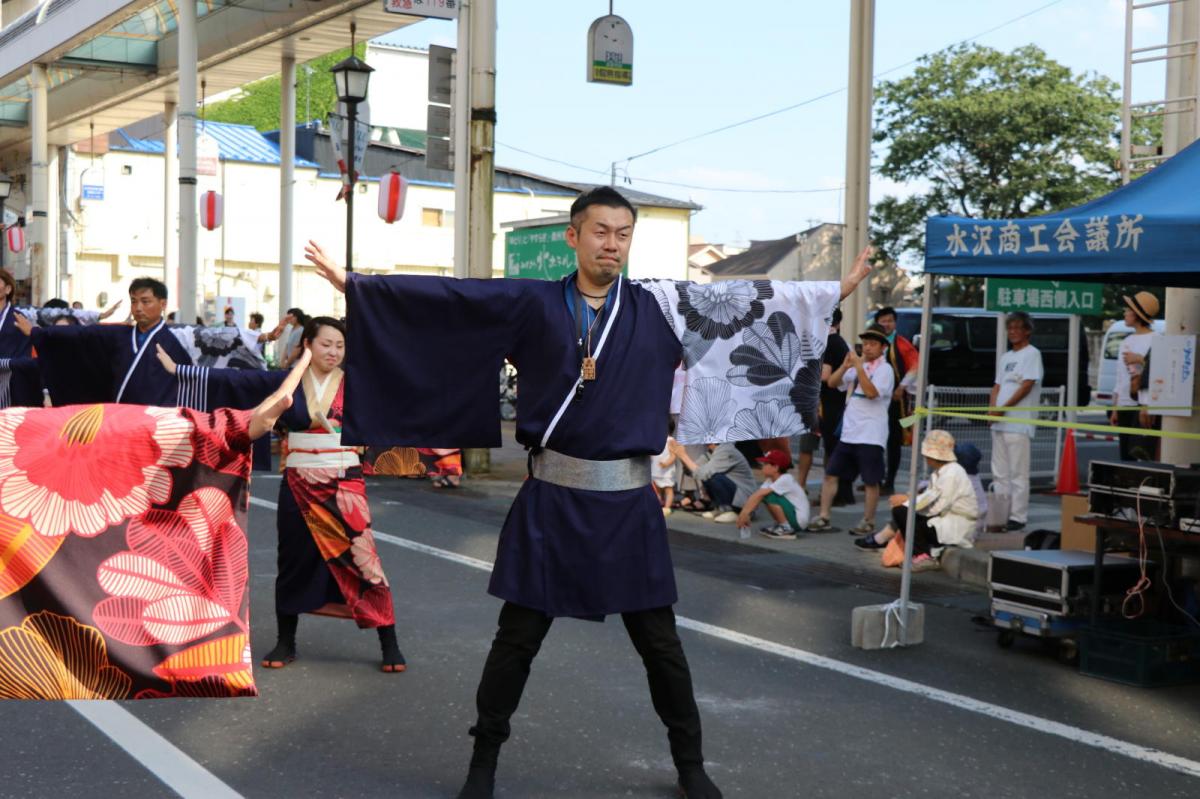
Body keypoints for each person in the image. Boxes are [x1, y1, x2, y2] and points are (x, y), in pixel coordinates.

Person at [303, 185, 874, 799]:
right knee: (516, 639)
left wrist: (829, 292)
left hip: (628, 502)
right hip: (551, 497)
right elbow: (455, 300)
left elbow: (747, 301)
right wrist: (358, 287)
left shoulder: (663, 306)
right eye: (600, 231)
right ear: (573, 237)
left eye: (623, 233)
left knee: (661, 644)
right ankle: (483, 763)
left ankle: (691, 765)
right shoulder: (532, 303)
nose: (612, 243)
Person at [159, 316, 406, 673]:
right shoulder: (287, 383)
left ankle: (389, 639)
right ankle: (285, 640)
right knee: (292, 559)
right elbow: (237, 380)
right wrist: (179, 370)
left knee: (364, 560)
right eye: (325, 344)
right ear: (308, 345)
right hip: (298, 483)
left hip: (344, 483)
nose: (333, 352)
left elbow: (401, 393)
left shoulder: (357, 385)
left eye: (340, 346)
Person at [809, 324, 894, 534]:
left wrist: (857, 367)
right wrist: (845, 366)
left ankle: (868, 520)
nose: (867, 348)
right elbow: (832, 382)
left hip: (871, 434)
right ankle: (824, 516)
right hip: (849, 433)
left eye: (873, 344)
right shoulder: (860, 365)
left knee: (870, 481)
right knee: (831, 474)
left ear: (883, 347)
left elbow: (872, 393)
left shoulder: (885, 369)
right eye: (865, 344)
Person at [852, 430, 979, 571]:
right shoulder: (946, 471)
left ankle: (922, 555)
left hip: (955, 525)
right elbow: (932, 500)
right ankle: (885, 540)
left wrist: (907, 500)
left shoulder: (951, 473)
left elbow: (936, 506)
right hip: (947, 521)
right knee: (903, 512)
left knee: (902, 512)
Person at [988, 312, 1043, 532]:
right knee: (999, 472)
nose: (1012, 332)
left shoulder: (1032, 354)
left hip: (1019, 423)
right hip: (999, 423)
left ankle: (1018, 516)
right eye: (1010, 328)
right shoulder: (1005, 357)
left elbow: (1027, 385)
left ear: (1027, 331)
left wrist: (1003, 409)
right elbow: (997, 386)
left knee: (1018, 473)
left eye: (1017, 328)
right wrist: (992, 411)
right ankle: (1001, 513)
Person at [1109, 291, 1160, 462]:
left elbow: (1160, 371)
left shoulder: (1157, 339)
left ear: (1137, 314)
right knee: (1125, 453)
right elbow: (1120, 378)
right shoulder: (1126, 340)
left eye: (1127, 310)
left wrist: (1139, 359)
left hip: (1144, 404)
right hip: (1125, 403)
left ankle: (1144, 486)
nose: (1124, 313)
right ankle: (1129, 486)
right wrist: (1115, 407)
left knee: (1145, 452)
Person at [874, 306, 918, 493]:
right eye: (883, 321)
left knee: (893, 440)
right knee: (875, 439)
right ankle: (875, 478)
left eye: (890, 320)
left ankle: (889, 481)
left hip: (896, 401)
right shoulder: (873, 343)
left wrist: (902, 387)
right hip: (875, 400)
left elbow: (916, 366)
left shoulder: (902, 344)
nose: (886, 324)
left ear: (895, 322)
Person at [671, 441, 758, 524]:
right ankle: (720, 508)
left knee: (711, 475)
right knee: (707, 474)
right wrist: (680, 456)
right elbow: (692, 472)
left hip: (744, 501)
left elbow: (703, 473)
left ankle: (731, 510)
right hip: (734, 492)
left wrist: (684, 456)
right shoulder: (710, 453)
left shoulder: (727, 450)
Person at [820, 308, 855, 506]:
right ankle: (843, 494)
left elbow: (825, 376)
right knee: (837, 448)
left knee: (834, 449)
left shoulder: (829, 342)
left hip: (832, 403)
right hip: (841, 401)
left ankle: (839, 495)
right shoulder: (840, 342)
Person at [736, 449, 809, 540]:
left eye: (766, 464)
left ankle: (785, 528)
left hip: (798, 521)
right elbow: (756, 496)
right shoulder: (770, 481)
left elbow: (759, 495)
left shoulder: (786, 479)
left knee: (768, 495)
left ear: (776, 467)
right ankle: (782, 525)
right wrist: (746, 514)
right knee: (764, 495)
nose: (762, 467)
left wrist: (744, 513)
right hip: (794, 517)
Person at [652, 420, 678, 516]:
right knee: (657, 488)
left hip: (667, 471)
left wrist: (667, 463)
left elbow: (674, 455)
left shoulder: (670, 440)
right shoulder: (656, 439)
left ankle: (667, 507)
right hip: (656, 469)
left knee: (668, 489)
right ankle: (659, 504)